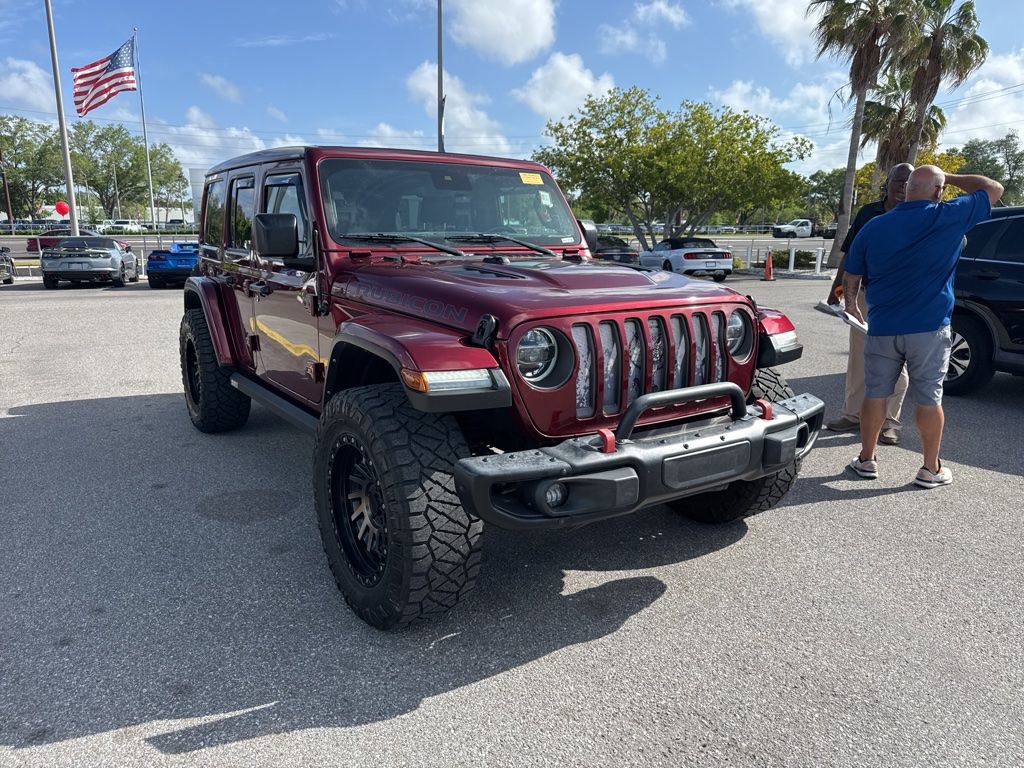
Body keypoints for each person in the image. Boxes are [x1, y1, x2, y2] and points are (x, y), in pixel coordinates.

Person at [842, 166, 1003, 488]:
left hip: (883, 326)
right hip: (929, 328)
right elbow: (992, 188)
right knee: (929, 397)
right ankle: (930, 468)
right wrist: (949, 177)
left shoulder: (875, 225)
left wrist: (851, 306)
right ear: (938, 191)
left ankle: (867, 459)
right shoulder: (949, 215)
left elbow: (851, 275)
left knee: (875, 394)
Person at [824, 163, 913, 445]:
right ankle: (852, 415)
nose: (902, 186)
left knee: (897, 359)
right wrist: (836, 289)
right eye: (898, 180)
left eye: (908, 181)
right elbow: (851, 254)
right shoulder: (868, 213)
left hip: (901, 298)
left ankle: (890, 421)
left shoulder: (919, 214)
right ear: (887, 183)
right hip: (865, 294)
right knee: (859, 357)